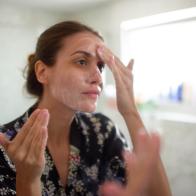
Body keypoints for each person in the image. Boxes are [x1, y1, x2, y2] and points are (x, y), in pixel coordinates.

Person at [0, 21, 171, 196]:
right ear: (43, 71)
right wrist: (27, 181)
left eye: (100, 66)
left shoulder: (102, 131)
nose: (98, 77)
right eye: (81, 61)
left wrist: (130, 111)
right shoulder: (6, 146)